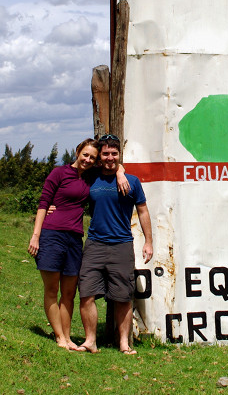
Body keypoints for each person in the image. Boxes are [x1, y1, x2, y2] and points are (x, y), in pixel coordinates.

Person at [27, 138, 128, 350]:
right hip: (52, 234)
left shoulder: (91, 175)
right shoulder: (59, 173)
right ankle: (59, 337)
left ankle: (68, 337)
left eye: (92, 157)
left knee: (70, 293)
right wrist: (35, 236)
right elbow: (44, 203)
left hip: (74, 239)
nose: (88, 160)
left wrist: (120, 173)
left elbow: (113, 163)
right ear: (77, 152)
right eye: (85, 155)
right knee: (52, 289)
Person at [77, 134, 153, 354]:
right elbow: (70, 189)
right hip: (94, 245)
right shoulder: (91, 178)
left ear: (119, 156)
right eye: (106, 154)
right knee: (87, 294)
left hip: (121, 246)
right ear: (100, 157)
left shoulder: (133, 181)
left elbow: (143, 210)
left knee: (122, 297)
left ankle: (123, 343)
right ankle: (90, 340)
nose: (110, 158)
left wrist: (148, 241)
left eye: (114, 154)